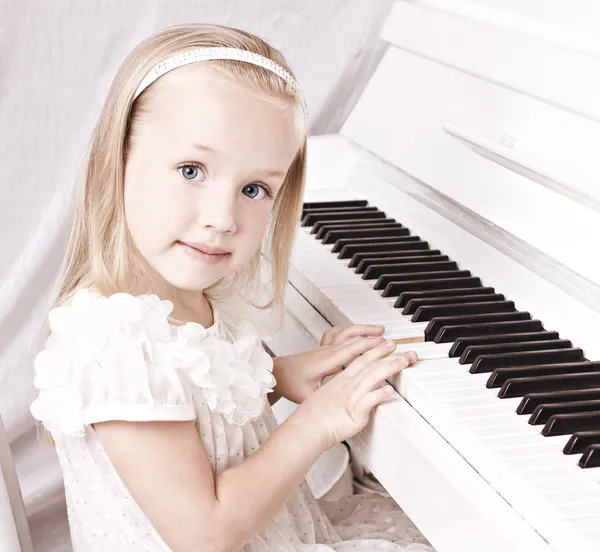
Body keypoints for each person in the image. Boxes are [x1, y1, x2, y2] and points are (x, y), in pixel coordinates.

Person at [30, 23, 434, 552]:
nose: (223, 218)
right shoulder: (116, 342)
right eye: (192, 170)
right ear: (118, 163)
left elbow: (194, 409)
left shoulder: (178, 304)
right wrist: (317, 422)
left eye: (254, 189)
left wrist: (279, 377)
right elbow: (204, 533)